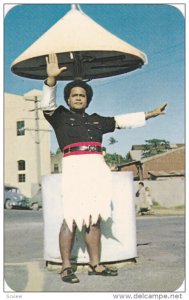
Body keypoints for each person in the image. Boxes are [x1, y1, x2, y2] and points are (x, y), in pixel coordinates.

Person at [40, 53, 167, 283]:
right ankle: (66, 267)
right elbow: (47, 104)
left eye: (82, 95)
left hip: (96, 168)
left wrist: (151, 114)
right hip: (74, 167)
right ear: (68, 99)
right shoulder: (58, 117)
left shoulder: (97, 120)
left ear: (87, 100)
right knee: (71, 218)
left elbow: (121, 121)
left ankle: (95, 264)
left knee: (94, 217)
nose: (78, 98)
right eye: (74, 95)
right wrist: (51, 81)